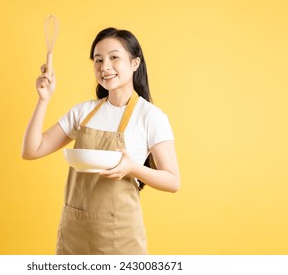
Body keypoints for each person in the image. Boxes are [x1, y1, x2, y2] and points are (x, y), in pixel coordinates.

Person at [22, 27, 180, 255]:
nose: (104, 67)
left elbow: (173, 181)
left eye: (114, 57)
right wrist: (43, 100)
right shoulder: (83, 112)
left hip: (120, 236)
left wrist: (132, 168)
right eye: (98, 60)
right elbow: (31, 150)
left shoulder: (150, 117)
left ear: (135, 63)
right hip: (75, 233)